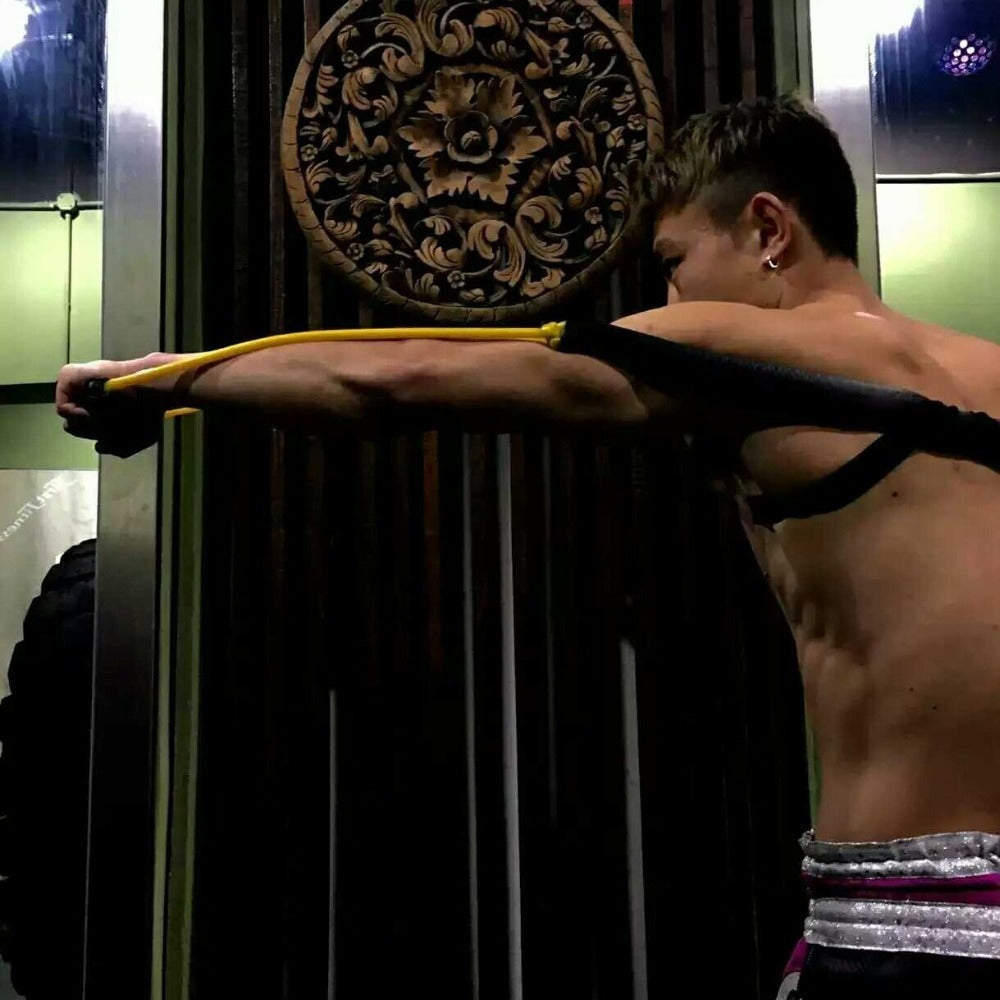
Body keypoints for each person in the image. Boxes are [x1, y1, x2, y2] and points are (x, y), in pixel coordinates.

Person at [57, 95, 1000, 994]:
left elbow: (398, 381)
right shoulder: (988, 371)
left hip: (905, 928)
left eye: (674, 262)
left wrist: (167, 381)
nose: (669, 295)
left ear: (767, 230)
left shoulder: (745, 347)